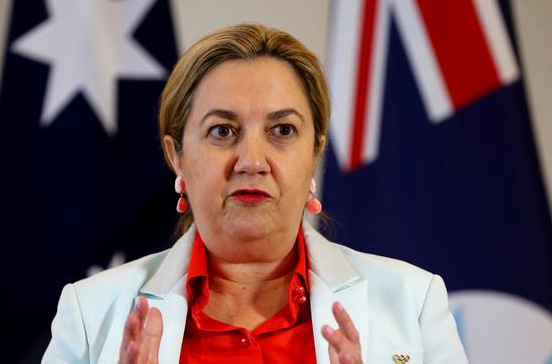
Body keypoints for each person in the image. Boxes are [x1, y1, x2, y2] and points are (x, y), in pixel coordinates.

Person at [42, 23, 468, 364]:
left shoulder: (413, 302)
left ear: (316, 151)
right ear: (178, 157)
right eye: (222, 131)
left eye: (282, 131)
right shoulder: (90, 312)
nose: (251, 160)